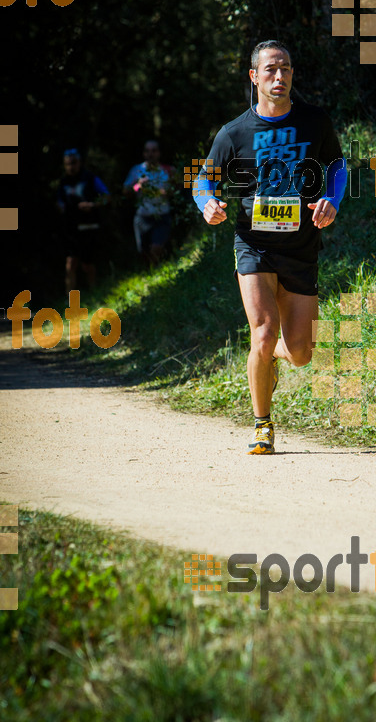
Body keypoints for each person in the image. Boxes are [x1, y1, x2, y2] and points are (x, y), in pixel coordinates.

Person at [193, 40, 347, 454]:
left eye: (286, 69)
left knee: (300, 353)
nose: (280, 77)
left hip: (301, 249)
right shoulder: (234, 133)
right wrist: (207, 202)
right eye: (271, 70)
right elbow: (202, 179)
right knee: (261, 333)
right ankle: (262, 424)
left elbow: (336, 166)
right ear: (254, 76)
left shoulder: (315, 122)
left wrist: (333, 199)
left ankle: (274, 358)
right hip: (253, 245)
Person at [56, 148, 110, 293]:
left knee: (87, 264)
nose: (70, 167)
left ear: (79, 162)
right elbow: (59, 201)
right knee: (71, 262)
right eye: (67, 164)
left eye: (73, 163)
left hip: (89, 226)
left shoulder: (90, 178)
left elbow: (106, 197)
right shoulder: (63, 182)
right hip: (71, 228)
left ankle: (94, 292)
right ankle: (70, 302)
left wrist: (92, 205)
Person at [123, 140, 174, 266]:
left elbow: (177, 190)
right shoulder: (137, 170)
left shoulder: (168, 170)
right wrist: (138, 186)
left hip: (162, 216)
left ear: (159, 153)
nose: (150, 154)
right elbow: (125, 191)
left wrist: (165, 193)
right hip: (143, 217)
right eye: (147, 151)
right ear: (144, 153)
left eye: (154, 151)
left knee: (156, 248)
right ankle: (150, 273)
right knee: (143, 252)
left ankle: (156, 273)